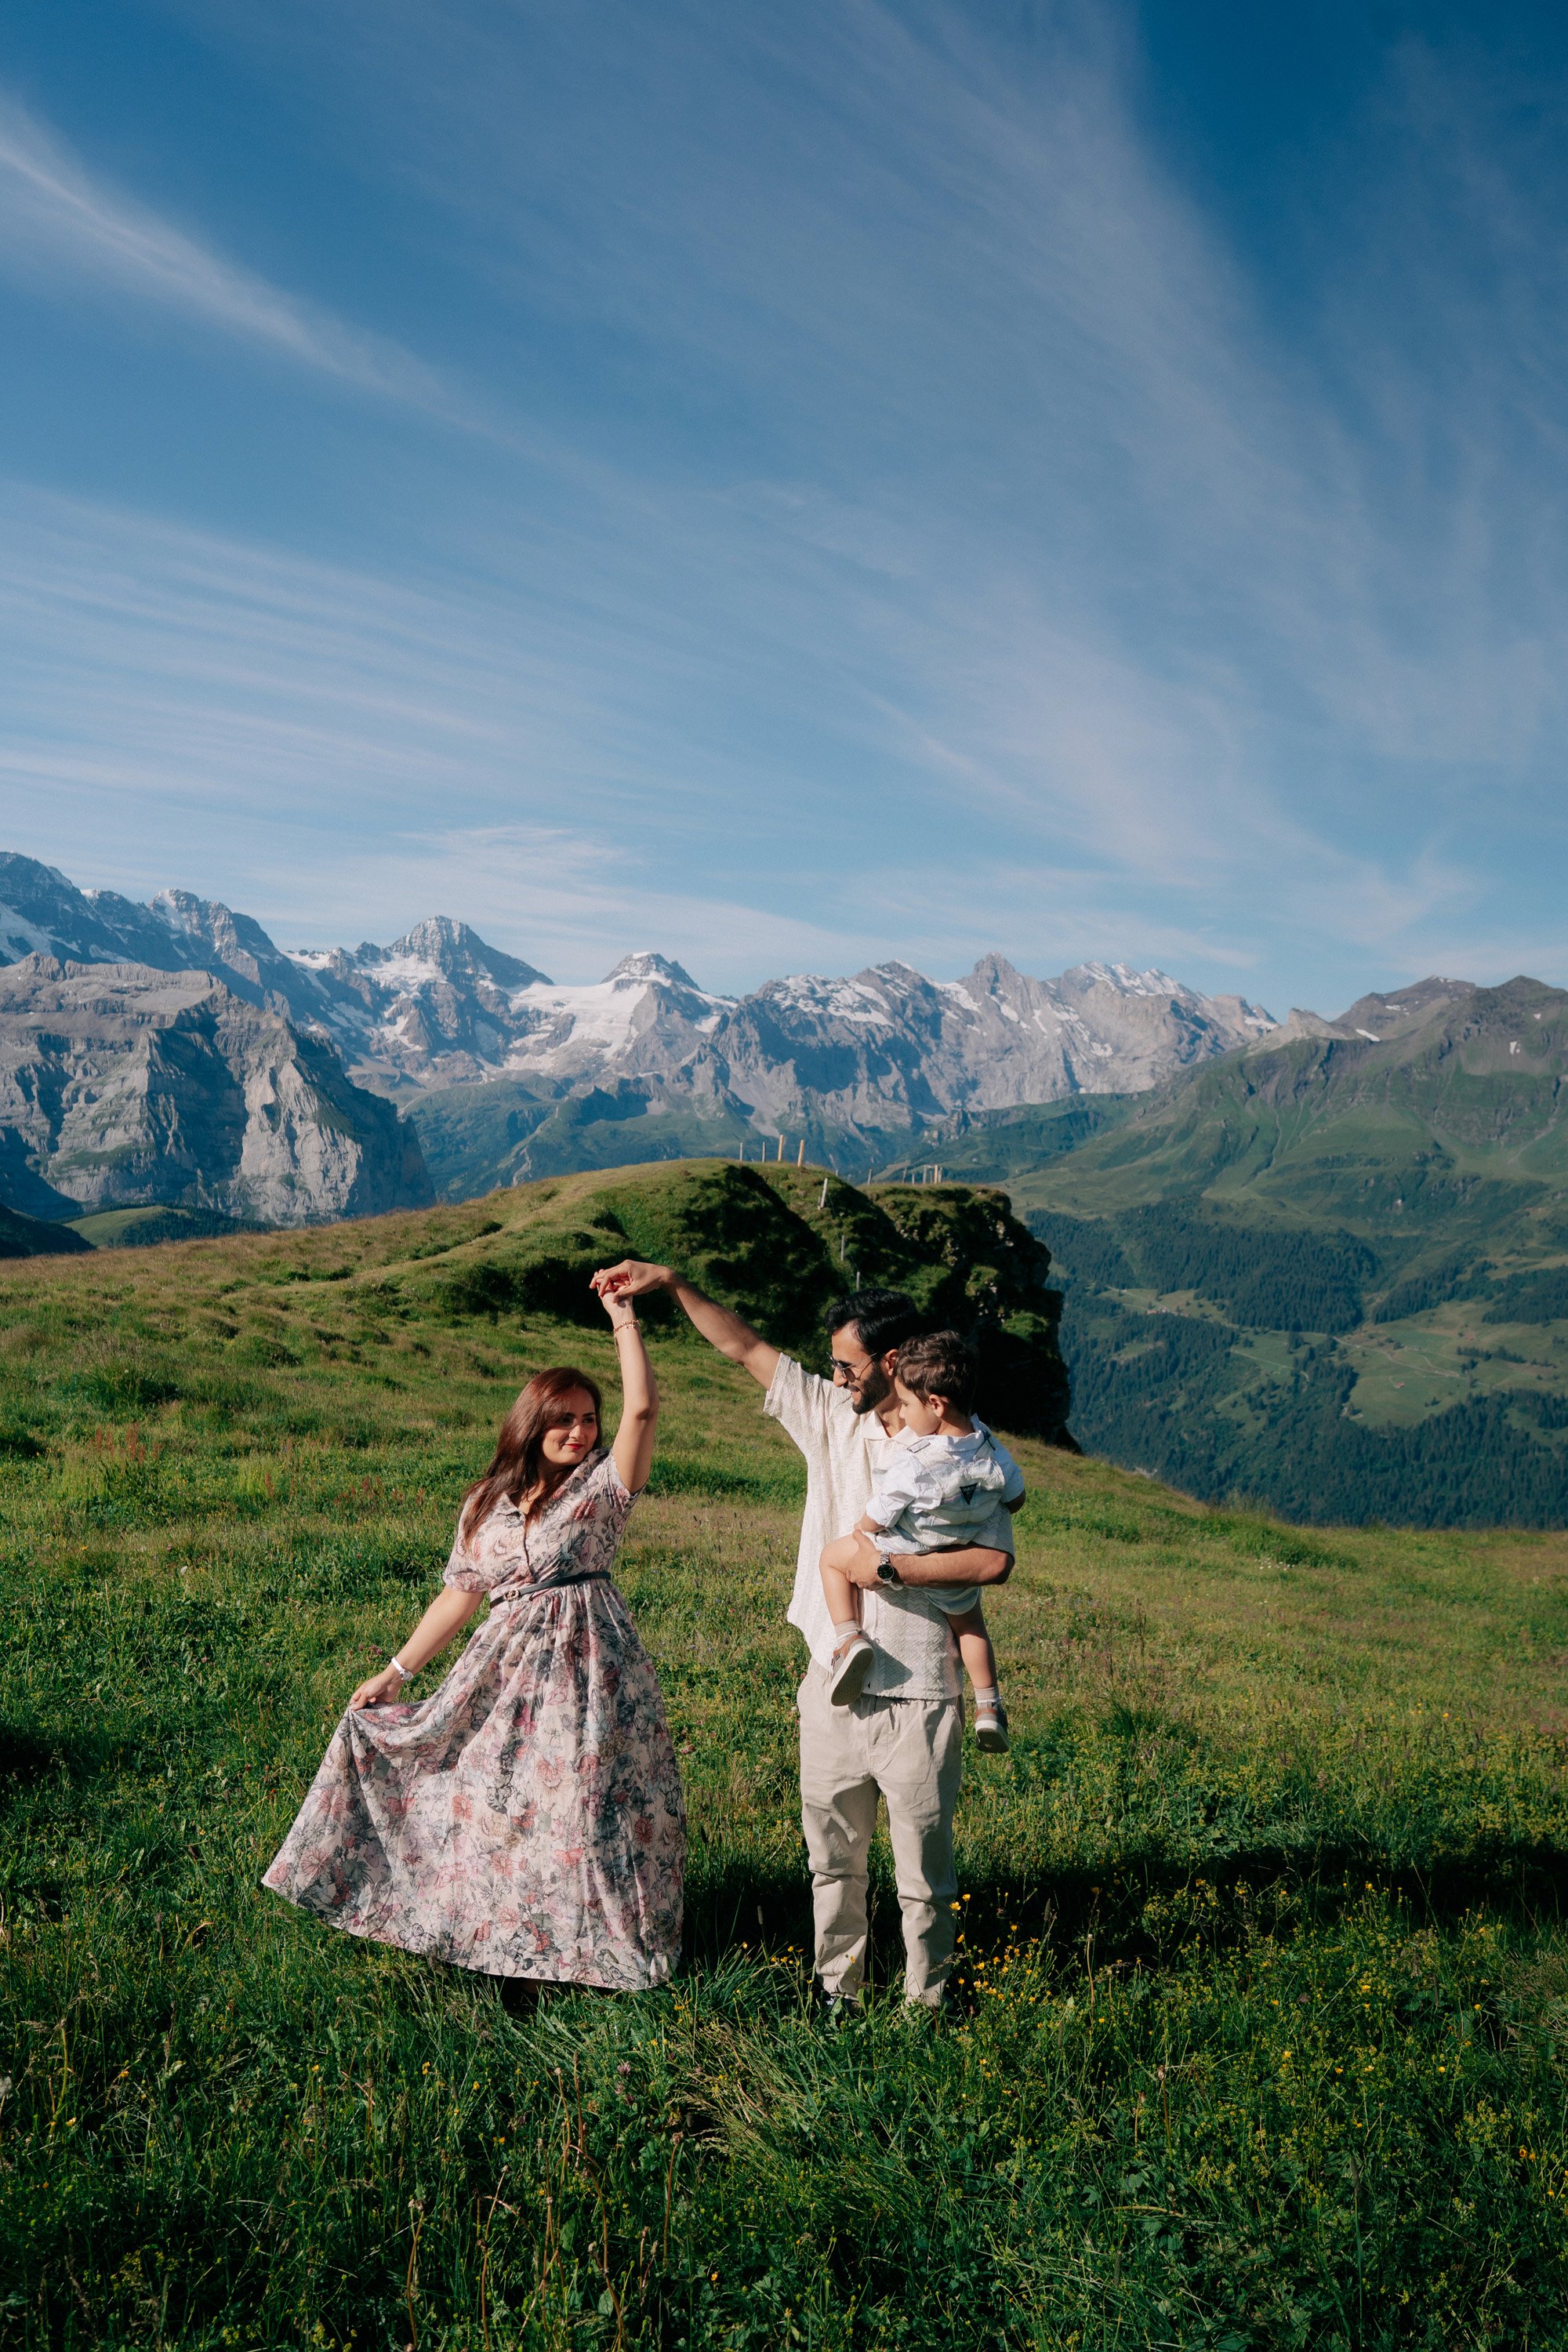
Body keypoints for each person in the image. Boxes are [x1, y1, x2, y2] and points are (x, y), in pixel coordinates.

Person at [590, 1263, 1015, 2011]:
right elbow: (744, 1348)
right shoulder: (831, 1415)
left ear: (891, 1364)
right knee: (833, 1859)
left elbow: (994, 1561)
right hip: (831, 1682)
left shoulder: (960, 1451)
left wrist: (886, 1568)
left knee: (924, 1872)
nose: (835, 1376)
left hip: (921, 1692)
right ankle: (836, 1993)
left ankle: (927, 2003)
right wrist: (674, 1283)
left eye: (846, 1364)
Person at [261, 1283, 684, 1995]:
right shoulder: (485, 1502)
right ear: (533, 1422)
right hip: (501, 1665)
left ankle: (600, 1952)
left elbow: (642, 1407)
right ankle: (494, 1932)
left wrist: (623, 1321)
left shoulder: (605, 1486)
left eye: (588, 1419)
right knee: (492, 1795)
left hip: (588, 1665)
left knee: (585, 1802)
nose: (579, 1432)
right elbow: (460, 1594)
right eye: (564, 1420)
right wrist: (397, 1670)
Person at [819, 1328, 1024, 1751]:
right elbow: (1016, 1495)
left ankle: (848, 1639)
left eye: (909, 1404)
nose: (905, 1414)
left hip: (907, 1548)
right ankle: (989, 1705)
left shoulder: (915, 1460)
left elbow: (883, 1509)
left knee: (832, 1558)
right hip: (958, 1561)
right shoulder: (991, 1447)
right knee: (972, 1628)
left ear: (935, 1404)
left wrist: (863, 1533)